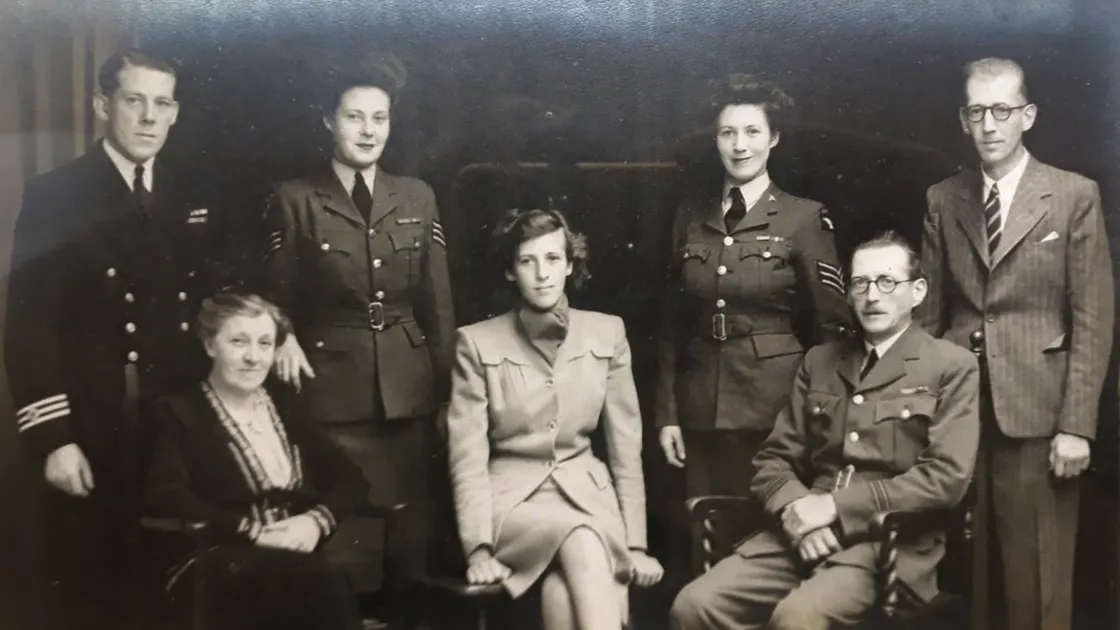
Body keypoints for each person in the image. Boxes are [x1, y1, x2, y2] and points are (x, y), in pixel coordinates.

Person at [4, 49, 233, 630]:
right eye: (134, 101)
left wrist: (274, 332)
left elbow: (217, 295)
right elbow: (29, 325)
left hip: (173, 426)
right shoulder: (57, 193)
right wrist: (53, 438)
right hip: (94, 425)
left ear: (176, 113)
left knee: (174, 588)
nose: (149, 117)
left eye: (162, 104)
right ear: (103, 105)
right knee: (92, 587)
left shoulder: (190, 189)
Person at [670, 232, 980, 630]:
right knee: (694, 605)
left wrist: (834, 509)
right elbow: (773, 459)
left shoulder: (949, 366)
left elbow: (945, 478)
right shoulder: (821, 361)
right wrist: (794, 513)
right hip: (799, 536)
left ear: (917, 291)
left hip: (886, 545)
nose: (872, 296)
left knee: (797, 619)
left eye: (887, 282)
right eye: (860, 283)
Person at [918, 57, 1114, 630]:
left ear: (1027, 116)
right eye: (977, 111)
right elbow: (928, 320)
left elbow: (1093, 319)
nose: (990, 125)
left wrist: (1077, 425)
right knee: (961, 577)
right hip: (958, 412)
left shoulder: (1073, 195)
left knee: (1038, 580)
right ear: (963, 119)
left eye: (1002, 110)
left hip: (1039, 414)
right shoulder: (941, 199)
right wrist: (919, 410)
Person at [260, 59, 455, 586]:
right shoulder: (294, 199)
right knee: (343, 547)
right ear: (328, 120)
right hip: (331, 391)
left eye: (380, 118)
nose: (369, 131)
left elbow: (437, 306)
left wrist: (444, 393)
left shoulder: (417, 196)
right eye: (354, 117)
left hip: (408, 393)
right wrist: (283, 337)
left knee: (409, 545)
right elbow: (276, 299)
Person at [446, 208, 664, 630]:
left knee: (563, 591)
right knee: (583, 539)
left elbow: (625, 449)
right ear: (510, 271)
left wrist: (636, 543)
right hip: (512, 507)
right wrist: (479, 549)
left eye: (552, 259)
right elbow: (466, 457)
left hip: (590, 498)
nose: (542, 274)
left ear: (570, 265)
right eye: (527, 261)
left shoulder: (607, 333)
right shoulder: (475, 342)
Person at [655, 73, 853, 501]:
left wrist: (820, 410)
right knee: (704, 530)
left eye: (751, 132)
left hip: (776, 408)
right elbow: (673, 323)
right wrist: (667, 414)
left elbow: (833, 326)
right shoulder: (691, 214)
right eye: (727, 133)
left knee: (769, 533)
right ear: (715, 139)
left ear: (774, 138)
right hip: (701, 408)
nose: (739, 145)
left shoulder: (803, 218)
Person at [144, 291, 369, 630]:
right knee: (323, 581)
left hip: (295, 562)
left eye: (265, 344)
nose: (253, 357)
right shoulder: (179, 412)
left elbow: (351, 478)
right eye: (238, 341)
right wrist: (252, 533)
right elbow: (167, 494)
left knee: (315, 580)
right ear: (209, 346)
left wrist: (314, 522)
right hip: (213, 566)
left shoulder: (286, 408)